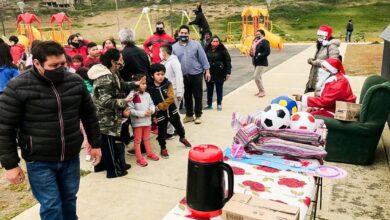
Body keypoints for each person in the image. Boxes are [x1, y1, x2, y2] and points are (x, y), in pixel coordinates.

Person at [0, 41, 102, 220]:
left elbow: (89, 116)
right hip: (39, 160)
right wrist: (10, 164)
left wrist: (95, 144)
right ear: (37, 63)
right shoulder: (17, 87)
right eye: (53, 66)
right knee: (51, 205)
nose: (61, 69)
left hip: (70, 157)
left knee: (69, 199)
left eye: (63, 64)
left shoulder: (75, 82)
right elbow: (4, 127)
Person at [88, 48, 143, 178]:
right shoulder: (105, 78)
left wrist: (135, 84)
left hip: (110, 116)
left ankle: (106, 166)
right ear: (113, 61)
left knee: (109, 144)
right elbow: (104, 101)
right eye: (120, 59)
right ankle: (114, 171)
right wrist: (123, 101)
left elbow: (122, 85)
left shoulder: (113, 73)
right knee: (108, 145)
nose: (122, 62)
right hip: (104, 118)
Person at [148, 64, 192, 158]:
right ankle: (163, 148)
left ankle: (182, 138)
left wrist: (160, 106)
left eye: (162, 74)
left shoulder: (168, 84)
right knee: (162, 132)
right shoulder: (150, 88)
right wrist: (153, 114)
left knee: (179, 127)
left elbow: (171, 97)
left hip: (172, 111)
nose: (160, 76)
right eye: (158, 74)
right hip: (160, 114)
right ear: (152, 75)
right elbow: (149, 100)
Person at [173, 25, 210, 124]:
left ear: (189, 34)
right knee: (187, 95)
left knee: (198, 95)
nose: (184, 35)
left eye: (186, 33)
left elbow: (203, 58)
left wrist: (207, 71)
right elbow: (172, 62)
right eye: (182, 33)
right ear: (179, 34)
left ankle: (198, 115)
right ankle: (189, 115)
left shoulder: (196, 45)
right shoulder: (174, 47)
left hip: (196, 74)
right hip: (183, 76)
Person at [128, 74, 159, 166]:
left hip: (147, 121)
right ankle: (139, 158)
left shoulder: (147, 95)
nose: (144, 85)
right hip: (137, 123)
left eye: (145, 84)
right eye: (142, 84)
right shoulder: (131, 96)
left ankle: (149, 153)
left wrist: (151, 110)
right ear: (135, 84)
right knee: (137, 141)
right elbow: (131, 110)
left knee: (146, 138)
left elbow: (152, 104)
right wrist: (143, 114)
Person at [305, 25, 340, 94]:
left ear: (327, 36)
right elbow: (321, 58)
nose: (319, 37)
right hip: (317, 75)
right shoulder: (321, 45)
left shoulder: (332, 46)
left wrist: (315, 62)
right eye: (319, 35)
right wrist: (313, 60)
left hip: (325, 76)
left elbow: (333, 62)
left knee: (321, 97)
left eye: (321, 36)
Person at [160, 44, 184, 138]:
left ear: (164, 52)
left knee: (172, 112)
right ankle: (180, 129)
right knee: (175, 112)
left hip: (174, 90)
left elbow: (179, 76)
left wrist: (179, 92)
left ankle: (170, 132)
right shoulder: (165, 62)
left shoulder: (174, 62)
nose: (159, 53)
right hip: (168, 90)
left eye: (160, 51)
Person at [204, 35, 232, 111]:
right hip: (208, 72)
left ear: (219, 42)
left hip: (220, 72)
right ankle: (209, 104)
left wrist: (228, 72)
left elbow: (228, 61)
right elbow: (203, 59)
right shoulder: (206, 49)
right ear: (211, 42)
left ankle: (219, 104)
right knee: (209, 89)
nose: (215, 43)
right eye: (214, 41)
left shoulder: (223, 49)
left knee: (219, 89)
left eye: (217, 41)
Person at [252, 29, 270, 97]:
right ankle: (260, 91)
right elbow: (254, 52)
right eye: (256, 34)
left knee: (256, 77)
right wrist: (252, 54)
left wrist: (259, 56)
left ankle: (262, 91)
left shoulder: (265, 42)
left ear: (263, 35)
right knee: (259, 77)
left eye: (258, 34)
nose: (257, 36)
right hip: (256, 62)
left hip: (262, 63)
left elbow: (267, 52)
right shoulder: (256, 42)